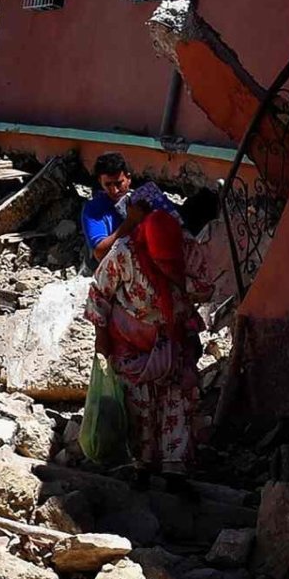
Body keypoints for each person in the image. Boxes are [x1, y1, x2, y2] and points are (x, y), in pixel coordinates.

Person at [85, 180, 204, 475]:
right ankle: (142, 465)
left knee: (177, 399)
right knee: (139, 405)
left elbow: (205, 285)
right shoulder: (125, 252)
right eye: (160, 261)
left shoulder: (186, 247)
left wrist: (182, 284)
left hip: (173, 338)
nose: (166, 266)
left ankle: (175, 469)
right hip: (131, 341)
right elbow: (100, 293)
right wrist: (102, 343)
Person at [80, 153, 133, 266]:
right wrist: (131, 222)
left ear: (128, 178)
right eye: (108, 184)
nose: (114, 190)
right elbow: (100, 253)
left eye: (119, 184)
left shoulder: (141, 200)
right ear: (100, 181)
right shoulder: (95, 209)